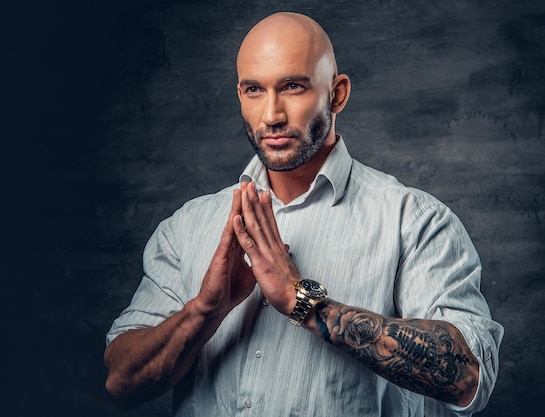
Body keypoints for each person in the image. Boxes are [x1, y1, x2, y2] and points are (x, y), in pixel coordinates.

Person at [104, 11, 503, 417]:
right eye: (254, 90)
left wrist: (304, 301)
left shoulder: (415, 222)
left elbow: (468, 376)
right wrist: (205, 310)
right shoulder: (186, 226)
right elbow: (121, 383)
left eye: (293, 86)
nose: (272, 115)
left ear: (337, 94)